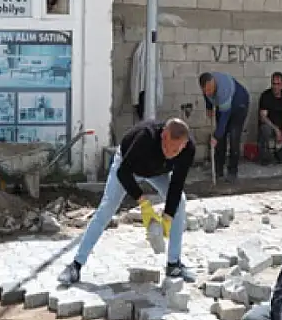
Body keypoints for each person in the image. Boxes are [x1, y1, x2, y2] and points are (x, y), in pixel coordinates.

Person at [58, 118, 196, 285]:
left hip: (158, 172)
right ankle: (75, 265)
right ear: (164, 135)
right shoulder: (144, 138)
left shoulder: (187, 149)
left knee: (180, 201)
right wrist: (144, 203)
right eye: (169, 148)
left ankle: (174, 264)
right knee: (106, 209)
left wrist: (167, 217)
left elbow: (177, 183)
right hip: (128, 166)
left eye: (176, 151)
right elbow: (123, 173)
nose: (172, 153)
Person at [199, 72, 251, 181]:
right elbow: (207, 96)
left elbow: (224, 118)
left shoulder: (223, 90)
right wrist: (208, 107)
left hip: (239, 105)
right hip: (224, 106)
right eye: (206, 91)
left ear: (214, 83)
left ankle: (232, 171)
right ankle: (218, 170)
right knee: (220, 139)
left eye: (210, 90)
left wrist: (216, 136)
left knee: (233, 136)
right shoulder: (207, 86)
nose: (208, 93)